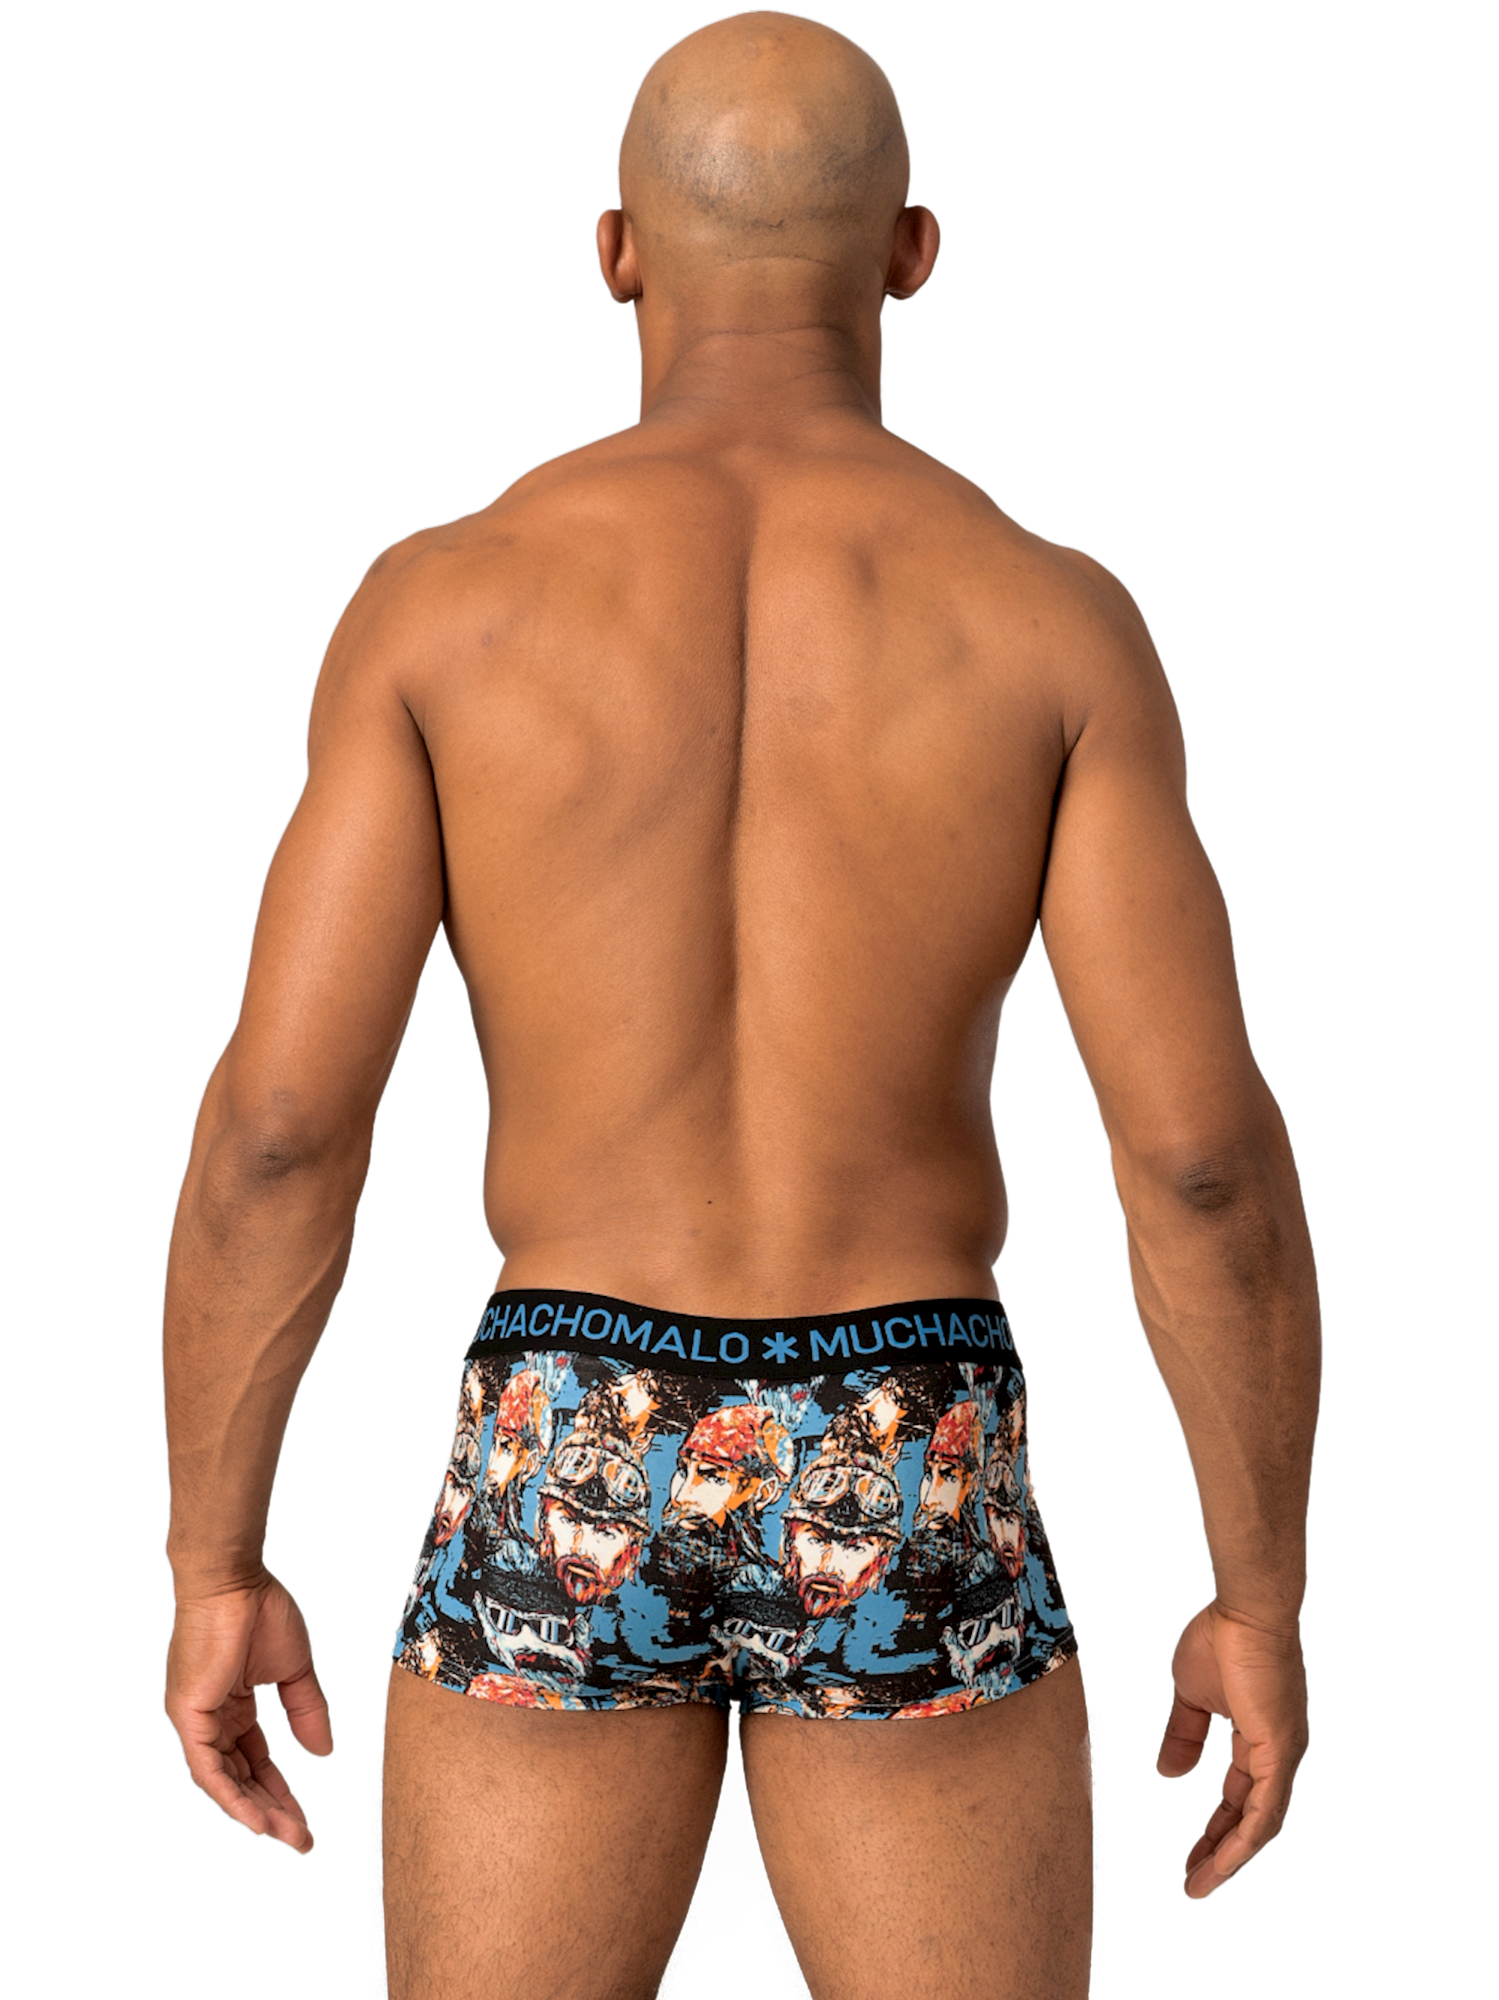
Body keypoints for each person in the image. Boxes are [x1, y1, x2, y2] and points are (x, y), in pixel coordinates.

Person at [160, 11, 1321, 1997]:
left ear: (617, 251)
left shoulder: (444, 602)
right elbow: (1200, 1160)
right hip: (905, 1427)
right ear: (909, 252)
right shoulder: (1047, 616)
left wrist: (212, 1562)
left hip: (566, 1418)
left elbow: (277, 1131)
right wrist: (1258, 1599)